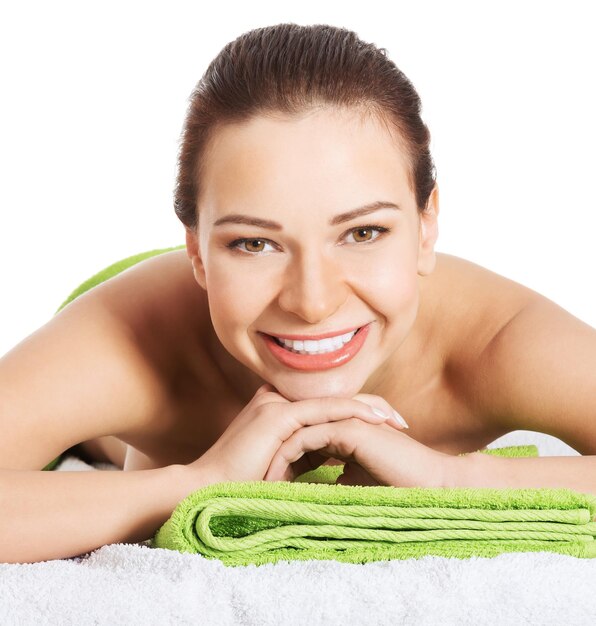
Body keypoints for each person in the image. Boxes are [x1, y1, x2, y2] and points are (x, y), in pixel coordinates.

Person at [1, 23, 595, 565]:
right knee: (93, 434)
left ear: (425, 225)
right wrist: (190, 483)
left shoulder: (500, 341)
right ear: (198, 251)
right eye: (254, 243)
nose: (312, 302)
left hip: (251, 323)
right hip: (193, 320)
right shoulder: (132, 336)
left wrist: (450, 480)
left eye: (364, 233)